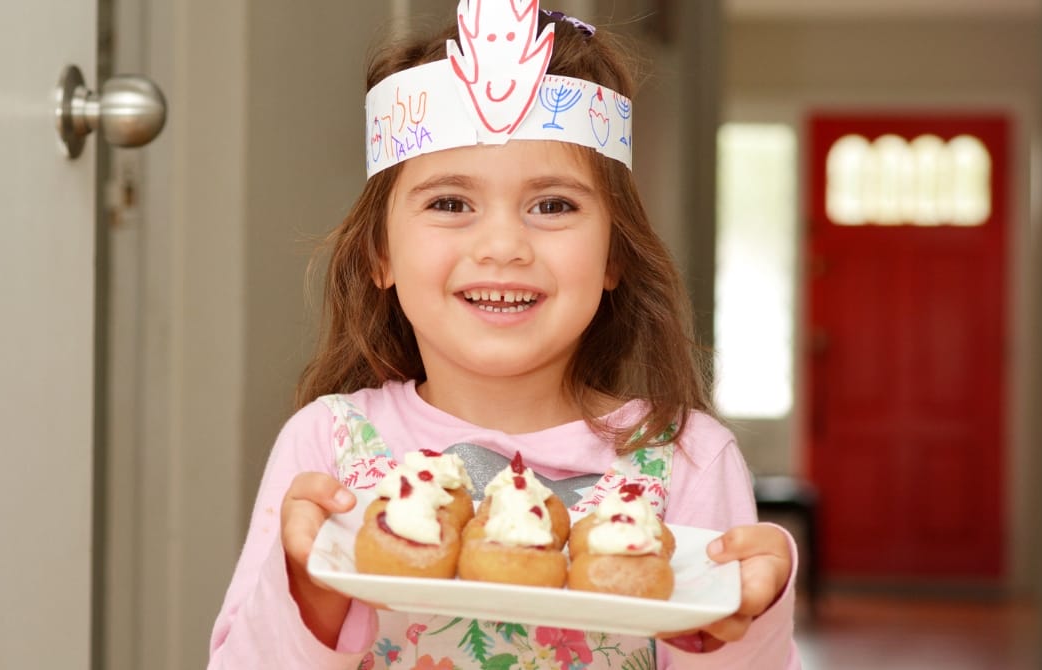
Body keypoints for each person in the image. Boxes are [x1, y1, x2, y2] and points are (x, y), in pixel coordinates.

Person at [208, 3, 800, 668]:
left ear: (614, 257)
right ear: (380, 253)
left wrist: (747, 620)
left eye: (553, 205)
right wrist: (307, 592)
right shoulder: (328, 449)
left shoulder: (686, 461)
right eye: (450, 203)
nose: (502, 246)